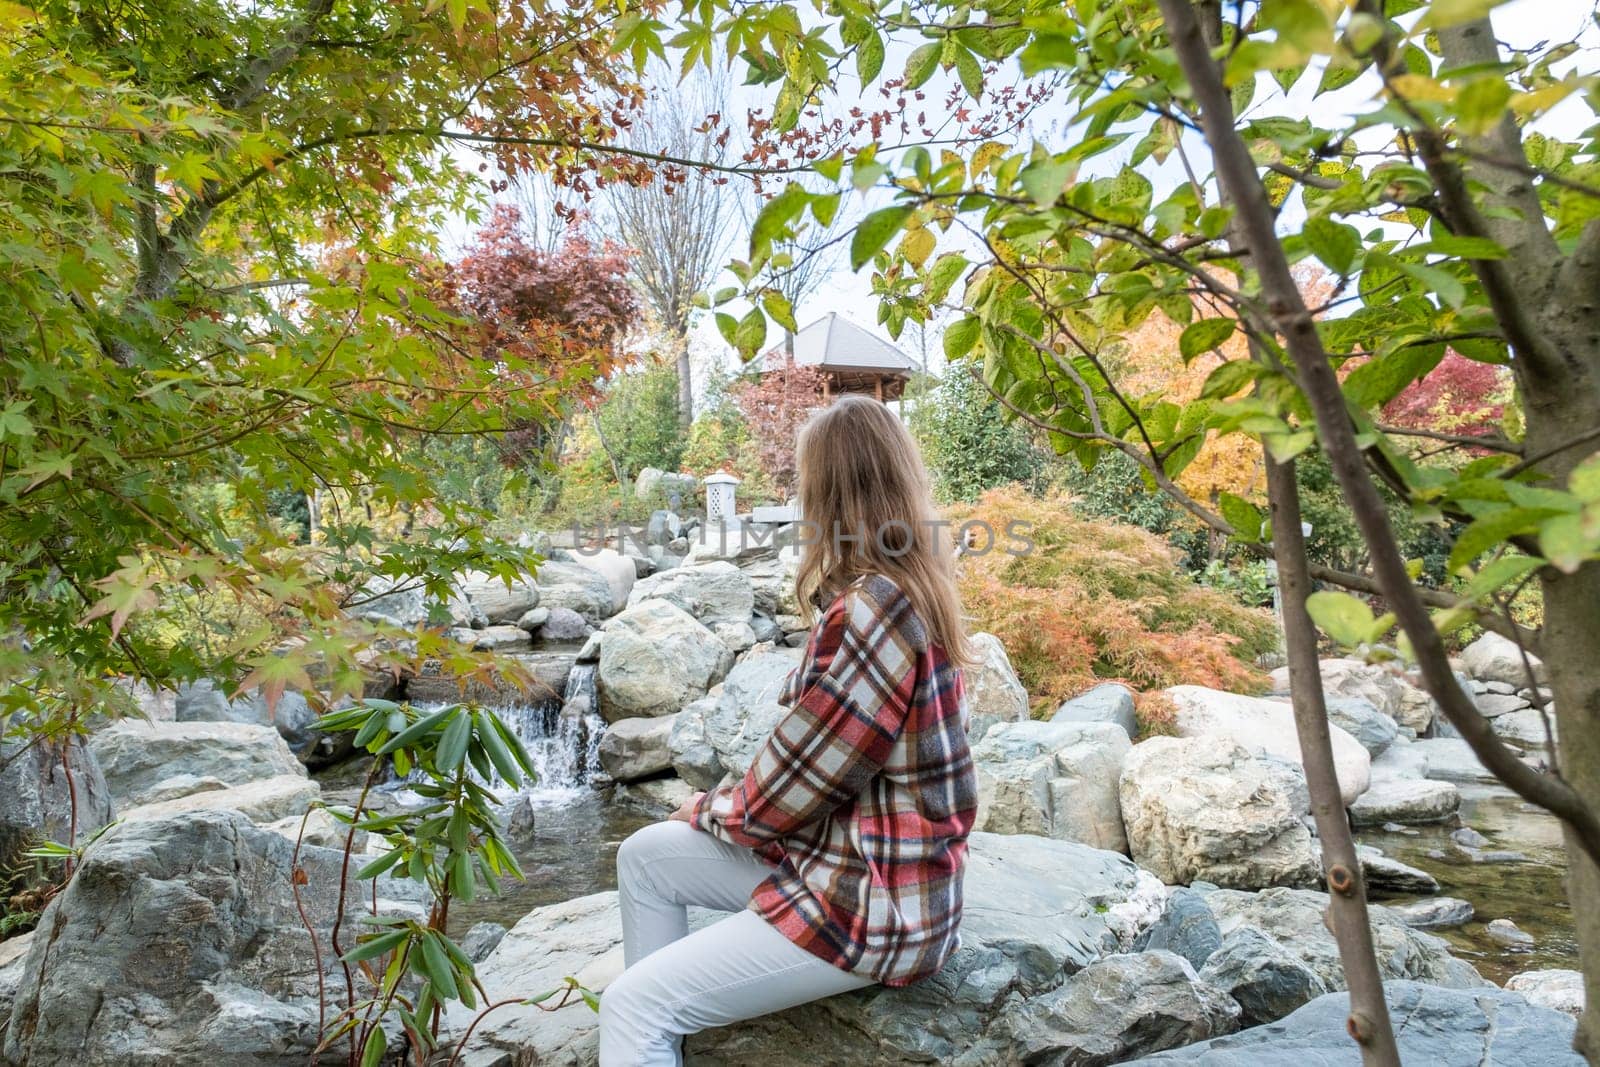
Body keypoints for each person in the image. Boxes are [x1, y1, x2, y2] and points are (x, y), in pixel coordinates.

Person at [598, 395, 978, 1066]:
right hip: (848, 862)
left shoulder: (875, 609)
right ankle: (670, 1039)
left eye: (805, 484)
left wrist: (714, 807)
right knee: (645, 859)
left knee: (632, 1003)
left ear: (829, 493)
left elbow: (795, 785)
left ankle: (653, 1027)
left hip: (875, 901)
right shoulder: (901, 589)